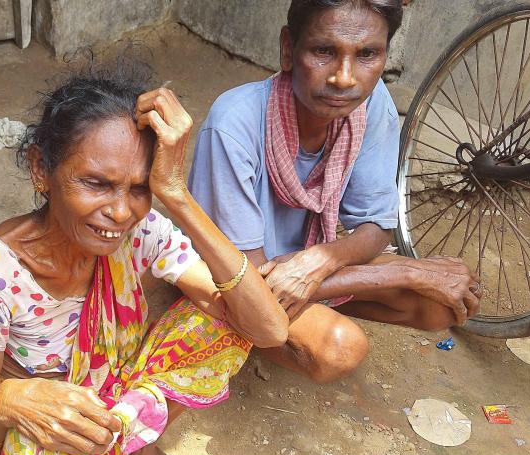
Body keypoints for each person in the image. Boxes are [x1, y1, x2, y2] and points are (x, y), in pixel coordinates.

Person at [0, 59, 290, 455]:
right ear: (40, 169)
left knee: (226, 321)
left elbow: (269, 329)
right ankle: (123, 443)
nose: (120, 212)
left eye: (139, 188)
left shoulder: (141, 229)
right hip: (42, 404)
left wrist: (176, 195)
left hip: (112, 385)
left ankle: (134, 447)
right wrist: (7, 401)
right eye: (96, 183)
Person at [188, 0, 483, 383]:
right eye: (324, 51)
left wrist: (321, 261)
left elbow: (376, 227)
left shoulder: (370, 105)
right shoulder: (234, 124)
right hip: (232, 283)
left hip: (295, 268)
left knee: (438, 306)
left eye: (367, 54)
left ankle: (299, 312)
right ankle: (244, 333)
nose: (344, 77)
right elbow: (252, 281)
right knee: (340, 348)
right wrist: (408, 271)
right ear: (287, 50)